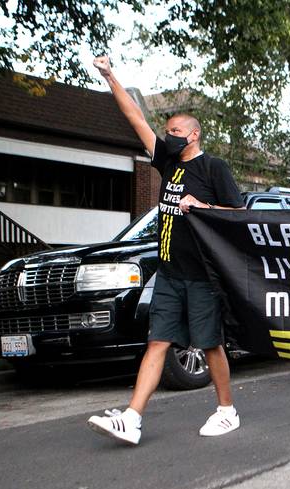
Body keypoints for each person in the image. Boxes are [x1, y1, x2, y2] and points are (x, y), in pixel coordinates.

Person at [87, 56, 245, 445]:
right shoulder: (169, 163)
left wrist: (203, 207)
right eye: (167, 130)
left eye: (175, 130)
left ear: (193, 135)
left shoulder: (213, 169)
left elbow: (239, 213)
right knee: (157, 341)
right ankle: (132, 417)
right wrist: (111, 77)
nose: (167, 134)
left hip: (203, 275)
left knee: (210, 345)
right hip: (170, 273)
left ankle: (227, 410)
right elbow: (136, 119)